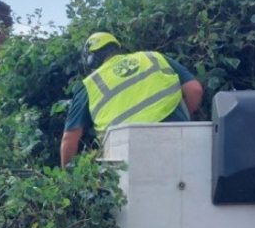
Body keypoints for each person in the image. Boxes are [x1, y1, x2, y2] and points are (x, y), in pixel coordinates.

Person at [60, 32, 204, 167]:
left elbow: (70, 139)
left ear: (91, 60)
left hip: (125, 159)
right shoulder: (152, 57)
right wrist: (184, 121)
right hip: (178, 141)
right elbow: (194, 90)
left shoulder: (90, 84)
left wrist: (70, 182)